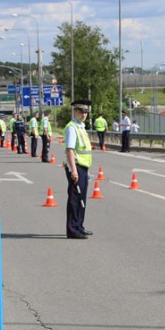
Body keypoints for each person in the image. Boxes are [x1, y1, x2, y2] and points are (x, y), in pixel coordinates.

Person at [64, 100, 94, 239]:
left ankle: (79, 226)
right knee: (75, 199)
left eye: (86, 112)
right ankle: (72, 229)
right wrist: (73, 170)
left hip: (83, 166)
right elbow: (70, 150)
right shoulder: (72, 127)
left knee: (81, 198)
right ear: (75, 111)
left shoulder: (81, 127)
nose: (84, 114)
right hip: (76, 166)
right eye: (81, 112)